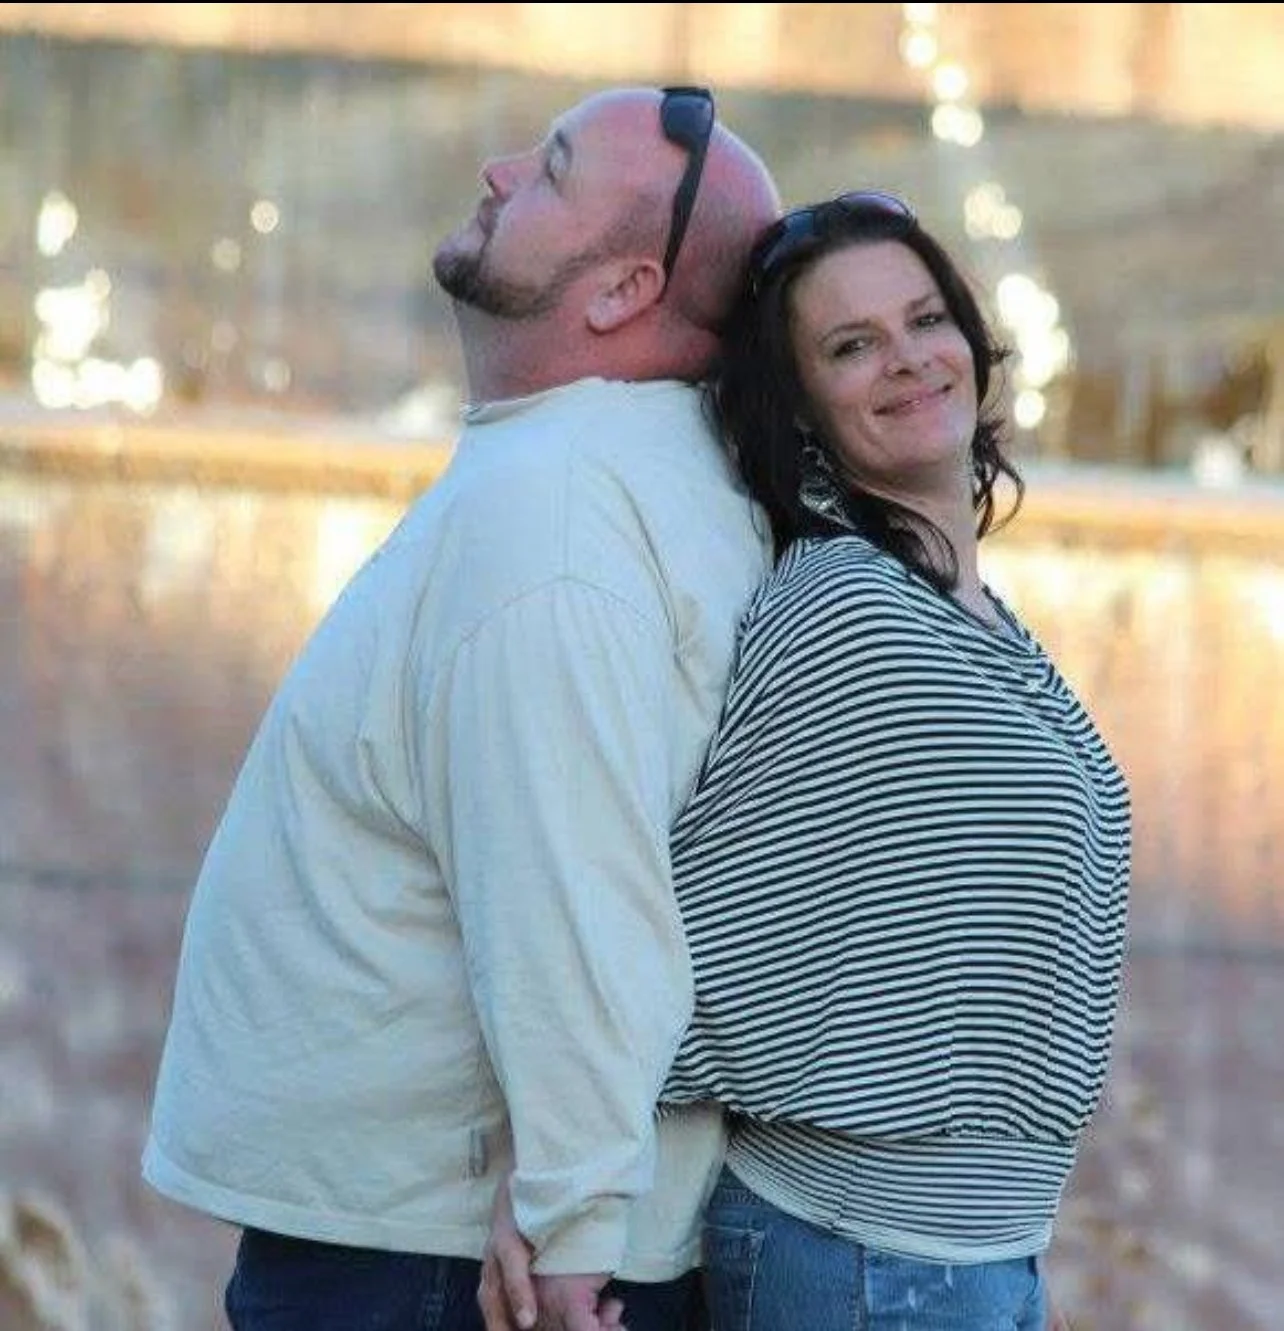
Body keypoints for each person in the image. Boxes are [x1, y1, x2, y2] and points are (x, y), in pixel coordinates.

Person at [140, 84, 781, 1331]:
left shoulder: (554, 516)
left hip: (439, 1270)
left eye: (546, 172)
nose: (494, 171)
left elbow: (577, 878)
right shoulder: (599, 473)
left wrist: (572, 1216)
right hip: (425, 1240)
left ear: (620, 293)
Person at [483, 192, 1129, 1331]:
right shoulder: (844, 608)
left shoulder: (965, 616)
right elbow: (689, 920)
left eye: (926, 320)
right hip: (869, 1258)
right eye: (851, 345)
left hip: (966, 1254)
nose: (908, 360)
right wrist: (558, 1183)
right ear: (804, 410)